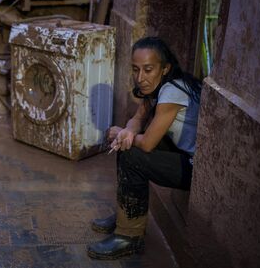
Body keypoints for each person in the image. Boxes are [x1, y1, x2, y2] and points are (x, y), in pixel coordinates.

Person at [86, 37, 202, 260]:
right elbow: (137, 119)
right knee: (127, 143)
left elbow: (147, 143)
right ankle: (126, 213)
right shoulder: (159, 87)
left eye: (148, 70)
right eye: (136, 69)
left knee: (131, 155)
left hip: (193, 168)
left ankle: (129, 236)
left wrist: (122, 134)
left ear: (165, 68)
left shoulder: (172, 92)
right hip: (180, 153)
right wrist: (127, 131)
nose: (141, 78)